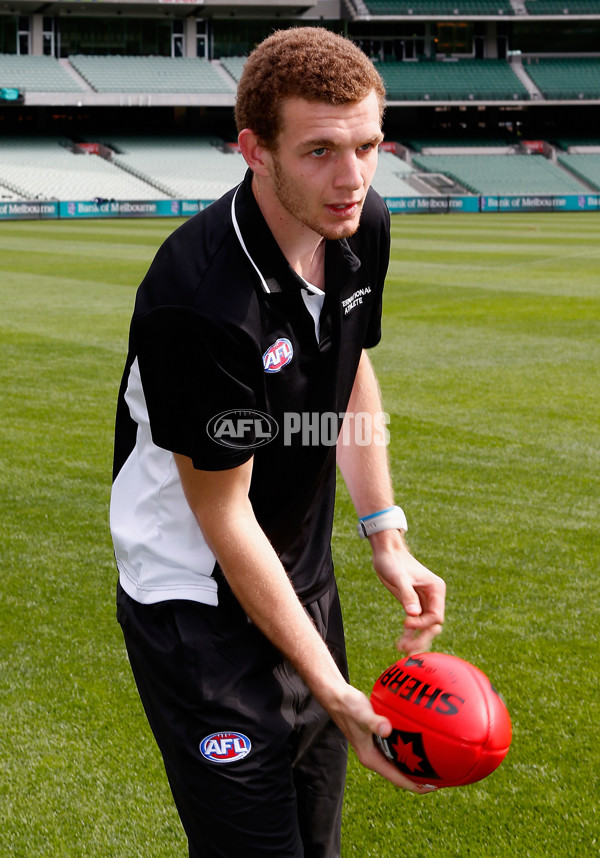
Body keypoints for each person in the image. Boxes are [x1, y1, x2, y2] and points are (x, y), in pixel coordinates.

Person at [110, 26, 446, 858]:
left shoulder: (360, 223)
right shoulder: (202, 301)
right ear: (255, 150)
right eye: (321, 151)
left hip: (299, 576)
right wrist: (334, 691)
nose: (353, 178)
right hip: (195, 604)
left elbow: (348, 369)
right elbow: (224, 521)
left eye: (368, 145)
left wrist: (385, 536)